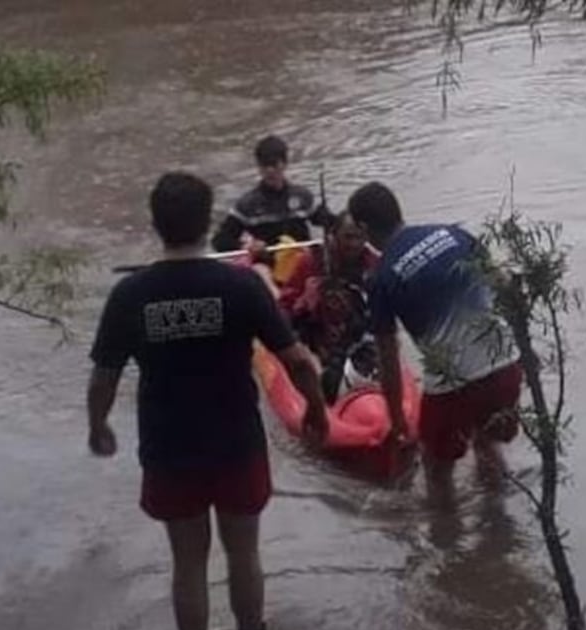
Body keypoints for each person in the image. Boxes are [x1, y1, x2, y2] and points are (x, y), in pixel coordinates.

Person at [86, 172, 327, 630]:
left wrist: (98, 426)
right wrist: (317, 410)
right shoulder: (241, 286)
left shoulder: (130, 294)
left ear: (155, 224)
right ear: (207, 223)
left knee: (188, 562)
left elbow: (103, 377)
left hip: (170, 450)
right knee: (244, 552)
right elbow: (297, 360)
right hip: (236, 443)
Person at [347, 182, 523, 504]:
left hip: (453, 386)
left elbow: (388, 357)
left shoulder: (381, 277)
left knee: (436, 468)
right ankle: (501, 522)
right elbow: (505, 288)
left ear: (363, 227)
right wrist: (526, 357)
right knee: (488, 445)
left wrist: (398, 421)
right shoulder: (455, 234)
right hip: (504, 365)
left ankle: (447, 533)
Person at [287, 211, 381, 402]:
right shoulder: (311, 262)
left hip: (360, 337)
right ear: (333, 235)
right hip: (316, 339)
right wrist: (305, 300)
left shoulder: (374, 263)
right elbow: (283, 310)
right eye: (348, 237)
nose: (354, 244)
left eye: (359, 237)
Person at [210, 135, 334, 253]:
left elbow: (332, 222)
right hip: (267, 262)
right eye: (264, 165)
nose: (269, 170)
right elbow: (220, 241)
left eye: (274, 164)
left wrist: (333, 231)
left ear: (284, 164)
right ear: (259, 167)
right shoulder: (247, 205)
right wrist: (245, 246)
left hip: (303, 259)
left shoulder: (302, 197)